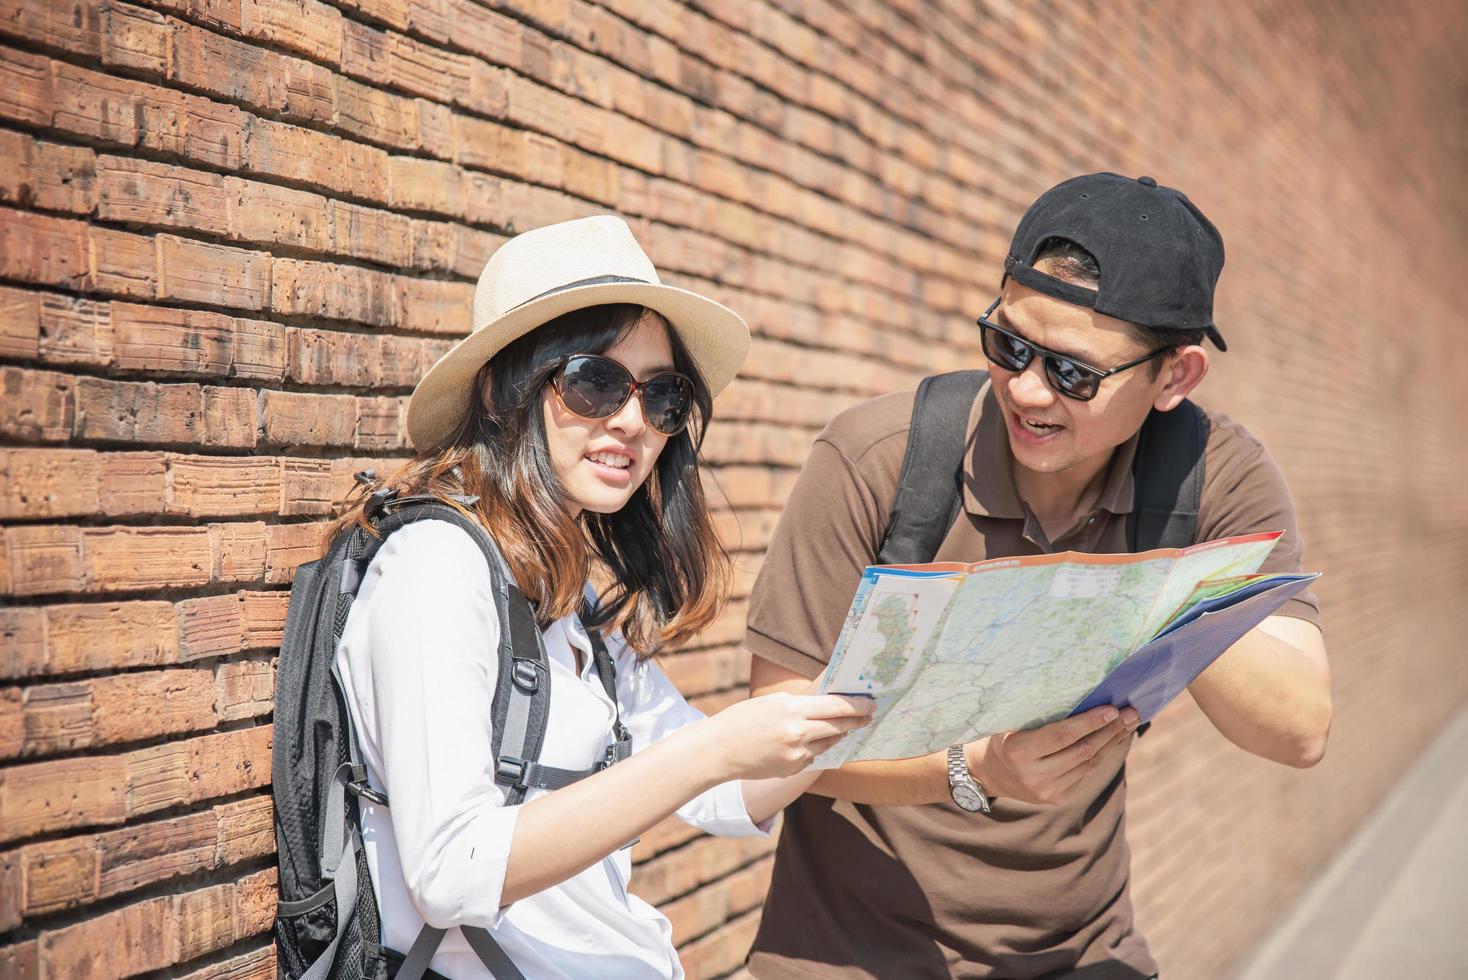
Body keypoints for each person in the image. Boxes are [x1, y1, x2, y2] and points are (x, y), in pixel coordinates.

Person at [742, 174, 1332, 978]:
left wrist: (1166, 591)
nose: (1025, 390)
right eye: (1009, 344)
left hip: (1082, 953)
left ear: (1175, 378)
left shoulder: (1213, 480)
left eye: (1074, 374)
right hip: (847, 956)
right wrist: (969, 772)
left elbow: (1299, 729)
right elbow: (772, 734)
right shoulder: (878, 460)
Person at [329, 215, 874, 979]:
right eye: (594, 380)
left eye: (661, 395)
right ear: (502, 387)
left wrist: (865, 702)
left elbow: (727, 791)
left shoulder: (570, 596)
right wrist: (711, 751)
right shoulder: (437, 567)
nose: (631, 420)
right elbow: (451, 871)